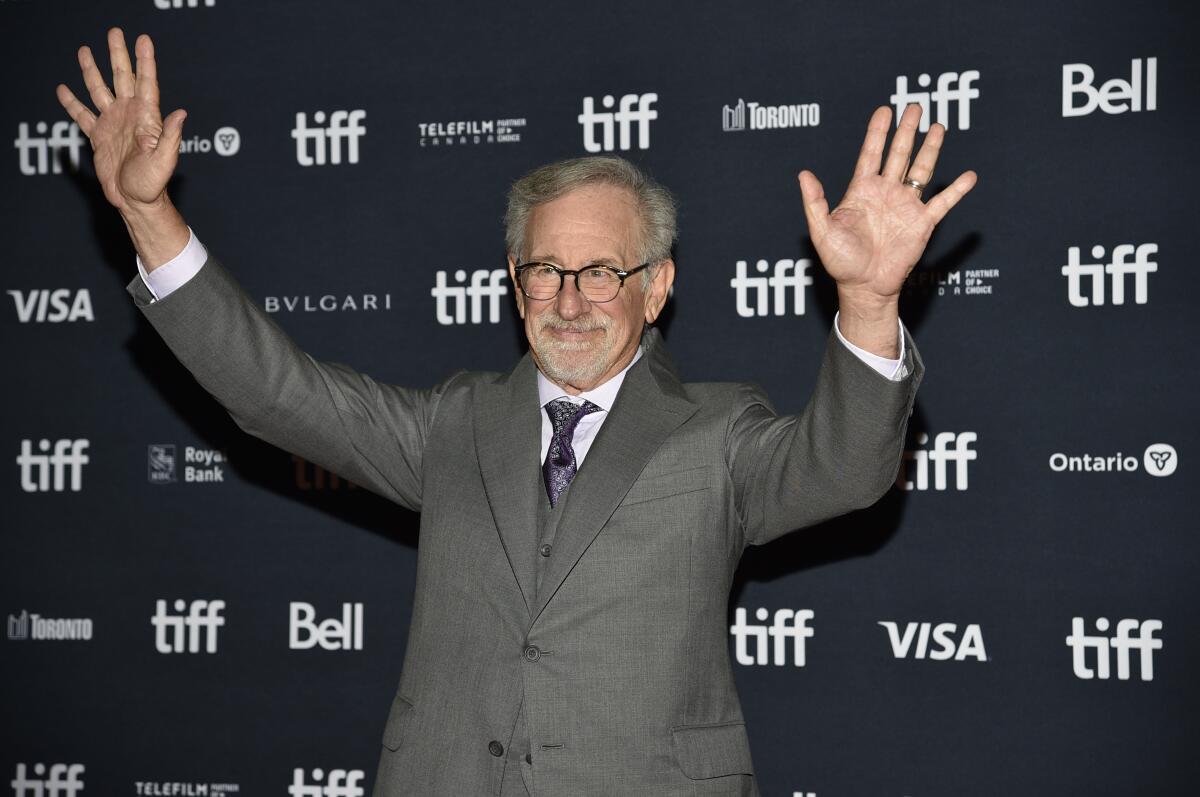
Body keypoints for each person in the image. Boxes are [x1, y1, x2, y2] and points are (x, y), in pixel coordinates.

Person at [58, 28, 976, 797]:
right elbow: (274, 391)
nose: (569, 300)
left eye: (602, 272)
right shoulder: (452, 423)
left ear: (656, 288)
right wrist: (148, 218)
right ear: (514, 282)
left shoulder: (719, 433)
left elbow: (849, 468)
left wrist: (868, 298)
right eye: (545, 270)